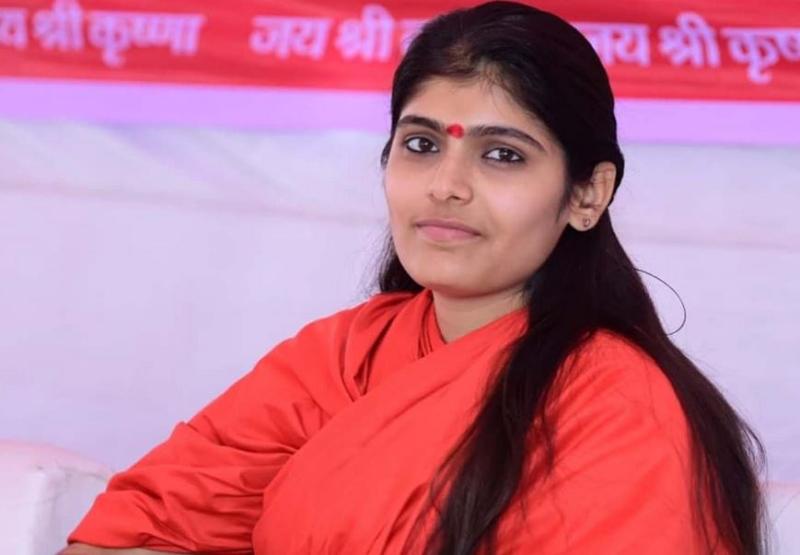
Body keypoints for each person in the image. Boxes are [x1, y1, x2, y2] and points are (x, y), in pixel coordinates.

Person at [61, 2, 767, 554]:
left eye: (503, 155)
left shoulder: (615, 406)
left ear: (587, 194)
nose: (445, 186)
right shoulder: (343, 357)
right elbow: (125, 535)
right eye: (421, 145)